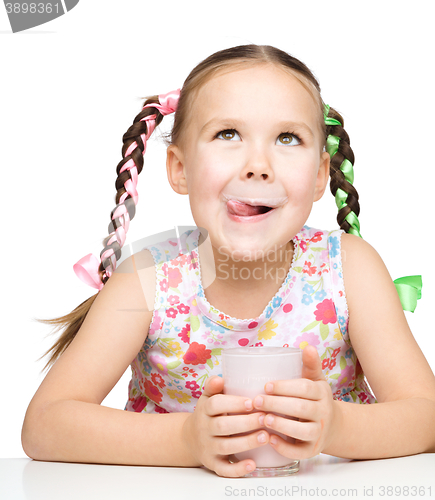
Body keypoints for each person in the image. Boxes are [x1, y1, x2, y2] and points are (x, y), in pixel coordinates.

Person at [21, 44, 435, 478]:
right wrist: (186, 440)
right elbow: (45, 425)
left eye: (287, 138)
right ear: (180, 168)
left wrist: (337, 426)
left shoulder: (351, 269)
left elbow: (426, 416)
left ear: (318, 175)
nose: (258, 165)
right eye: (228, 134)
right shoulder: (145, 281)